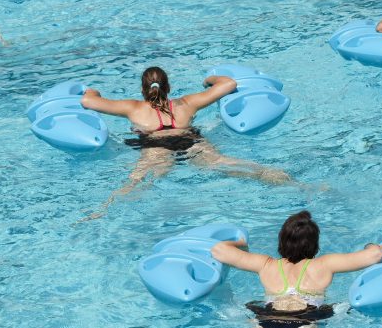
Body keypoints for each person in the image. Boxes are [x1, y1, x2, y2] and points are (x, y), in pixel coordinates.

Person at [79, 67, 289, 220]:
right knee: (226, 164)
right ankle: (287, 181)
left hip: (156, 147)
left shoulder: (132, 107)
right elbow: (229, 84)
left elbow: (88, 101)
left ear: (143, 90)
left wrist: (93, 91)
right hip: (190, 142)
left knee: (137, 181)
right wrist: (209, 79)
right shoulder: (187, 103)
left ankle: (102, 212)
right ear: (168, 87)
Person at [210, 211, 382, 328]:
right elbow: (375, 255)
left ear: (282, 240)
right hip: (304, 323)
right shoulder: (323, 265)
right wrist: (371, 245)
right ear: (315, 244)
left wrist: (241, 243)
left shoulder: (266, 265)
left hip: (265, 320)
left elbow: (218, 250)